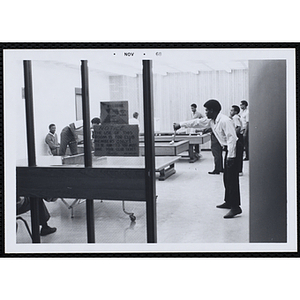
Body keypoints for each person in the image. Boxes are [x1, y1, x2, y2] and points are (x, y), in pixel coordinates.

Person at [174, 99, 243, 218]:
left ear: (213, 110)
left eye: (207, 110)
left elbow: (232, 139)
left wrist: (231, 157)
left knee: (232, 179)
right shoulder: (212, 120)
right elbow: (197, 122)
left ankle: (236, 207)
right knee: (226, 177)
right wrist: (180, 124)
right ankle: (229, 202)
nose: (205, 112)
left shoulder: (225, 120)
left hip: (234, 148)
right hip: (228, 148)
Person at [230, 105, 244, 176]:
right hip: (239, 136)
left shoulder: (235, 117)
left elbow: (238, 127)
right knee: (238, 154)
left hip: (238, 137)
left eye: (232, 110)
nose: (230, 112)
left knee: (238, 154)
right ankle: (239, 170)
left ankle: (238, 170)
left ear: (235, 111)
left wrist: (233, 136)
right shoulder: (237, 117)